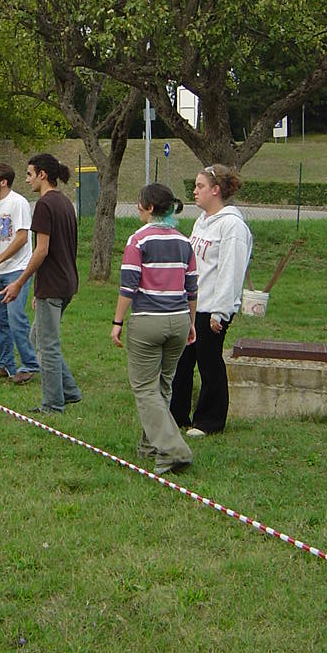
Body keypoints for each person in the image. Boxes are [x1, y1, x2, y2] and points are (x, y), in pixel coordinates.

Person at [111, 184, 198, 475]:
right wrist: (191, 323)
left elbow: (128, 286)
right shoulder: (184, 241)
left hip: (148, 321)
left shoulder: (138, 240)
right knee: (163, 385)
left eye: (140, 203)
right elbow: (192, 288)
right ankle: (150, 446)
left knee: (145, 388)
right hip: (179, 320)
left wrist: (117, 322)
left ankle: (174, 450)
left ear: (149, 208)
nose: (137, 207)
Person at [170, 163, 253, 436]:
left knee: (209, 363)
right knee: (182, 362)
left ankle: (209, 422)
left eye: (200, 186)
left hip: (212, 309)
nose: (195, 191)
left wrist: (221, 312)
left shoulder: (232, 226)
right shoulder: (202, 221)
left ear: (216, 190)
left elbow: (231, 271)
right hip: (192, 305)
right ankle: (177, 415)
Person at [2, 153, 81, 414]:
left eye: (29, 174)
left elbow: (42, 250)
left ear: (42, 175)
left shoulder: (45, 205)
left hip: (54, 285)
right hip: (66, 283)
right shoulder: (65, 202)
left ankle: (53, 405)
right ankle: (69, 391)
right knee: (37, 336)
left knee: (47, 346)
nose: (27, 180)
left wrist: (19, 282)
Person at [0, 163, 40, 383]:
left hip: (17, 270)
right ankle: (4, 365)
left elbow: (21, 237)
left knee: (16, 318)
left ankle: (29, 365)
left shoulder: (18, 203)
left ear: (3, 182)